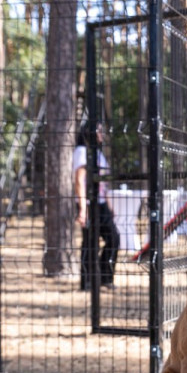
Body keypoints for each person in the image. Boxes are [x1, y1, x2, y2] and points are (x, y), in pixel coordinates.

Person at [74, 122, 120, 291]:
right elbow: (79, 181)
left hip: (101, 203)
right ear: (90, 132)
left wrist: (108, 204)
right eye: (98, 130)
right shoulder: (81, 151)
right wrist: (82, 209)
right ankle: (86, 282)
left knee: (114, 238)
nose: (102, 134)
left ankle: (105, 277)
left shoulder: (98, 153)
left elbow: (102, 183)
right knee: (90, 243)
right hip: (87, 203)